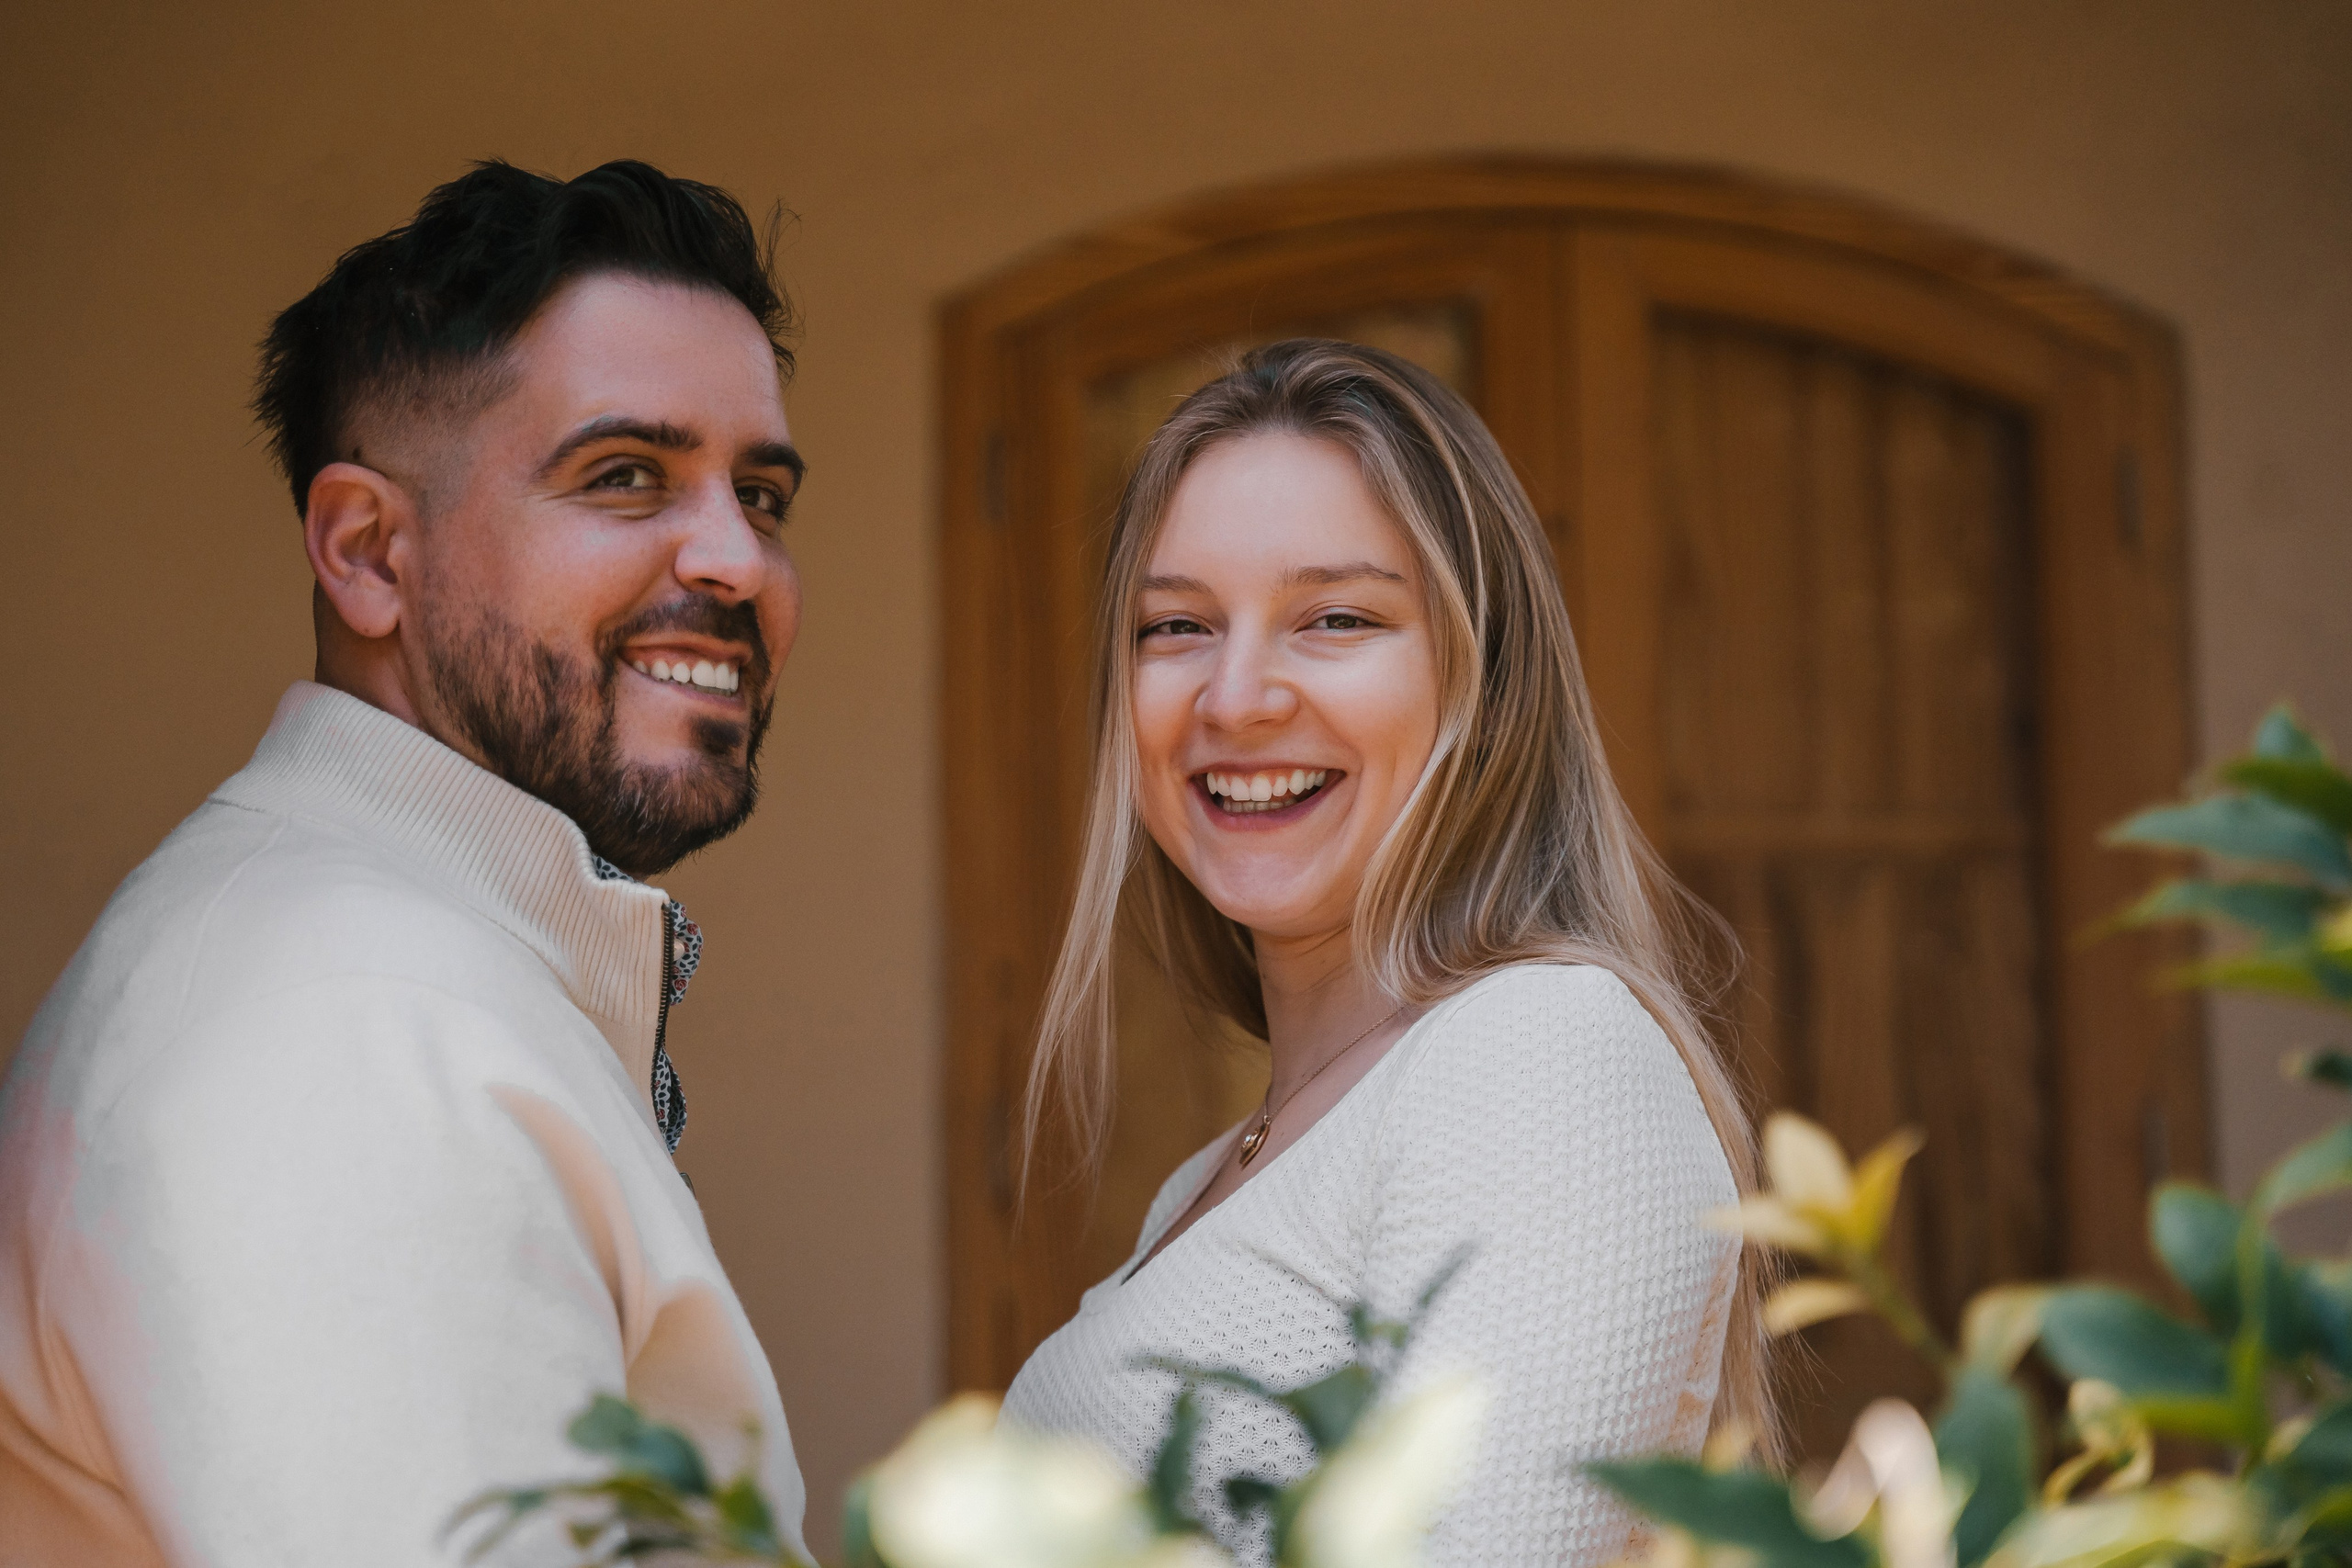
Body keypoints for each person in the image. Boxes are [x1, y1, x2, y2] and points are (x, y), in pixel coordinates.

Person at [0, 161, 812, 1564]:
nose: (738, 558)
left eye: (764, 493)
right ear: (369, 552)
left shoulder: (390, 971)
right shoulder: (343, 1033)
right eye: (627, 477)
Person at [1001, 340, 1774, 1564]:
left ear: (1484, 682)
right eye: (1177, 626)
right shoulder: (1217, 1177)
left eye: (1337, 618)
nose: (1236, 695)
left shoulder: (1548, 1057)